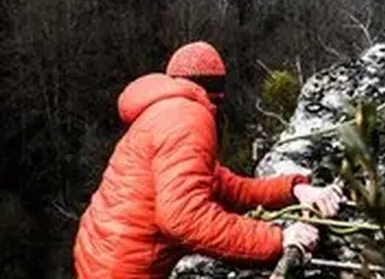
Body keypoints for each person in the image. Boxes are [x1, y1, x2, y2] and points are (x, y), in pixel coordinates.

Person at [73, 41, 343, 278]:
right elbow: (183, 217)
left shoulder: (161, 111)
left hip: (101, 258)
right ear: (218, 93)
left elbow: (224, 185)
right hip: (127, 270)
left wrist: (294, 189)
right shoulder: (190, 118)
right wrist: (278, 239)